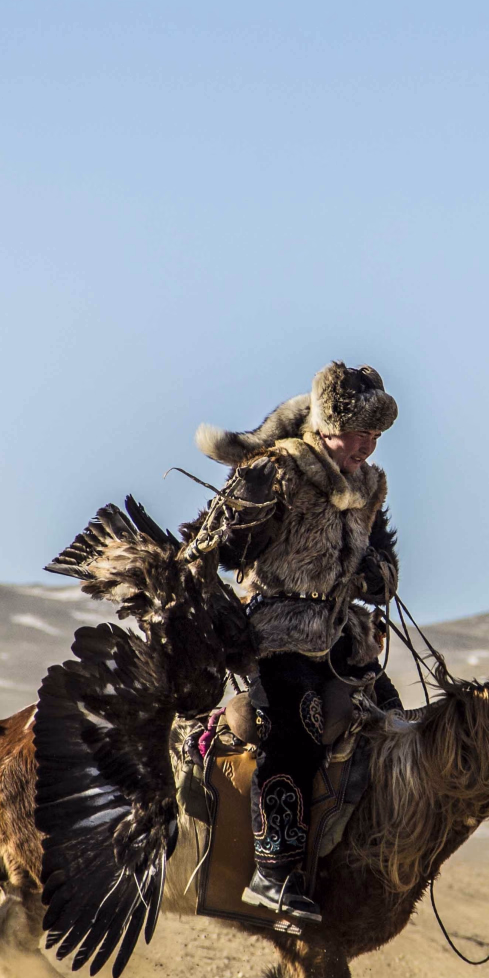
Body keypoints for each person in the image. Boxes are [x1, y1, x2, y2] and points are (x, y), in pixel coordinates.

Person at [184, 362, 402, 923]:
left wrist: (379, 574)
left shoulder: (369, 486)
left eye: (377, 436)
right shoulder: (275, 471)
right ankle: (272, 872)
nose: (369, 445)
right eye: (361, 433)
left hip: (341, 638)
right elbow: (220, 545)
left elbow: (383, 563)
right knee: (298, 725)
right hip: (276, 633)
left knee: (393, 718)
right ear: (329, 424)